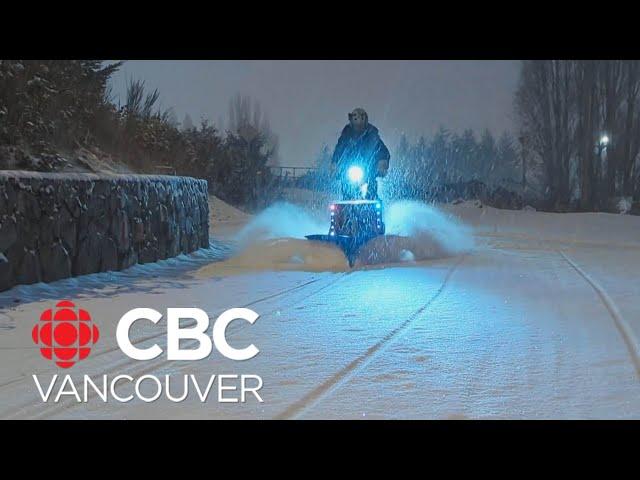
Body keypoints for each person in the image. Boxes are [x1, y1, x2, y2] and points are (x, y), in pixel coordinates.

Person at [331, 108, 390, 199]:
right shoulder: (346, 135)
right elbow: (339, 149)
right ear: (352, 122)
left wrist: (382, 162)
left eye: (361, 125)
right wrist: (334, 164)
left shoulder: (372, 134)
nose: (358, 128)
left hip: (368, 166)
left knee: (372, 181)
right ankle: (347, 199)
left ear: (365, 122)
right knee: (345, 181)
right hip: (349, 166)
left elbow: (383, 150)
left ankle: (372, 197)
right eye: (356, 125)